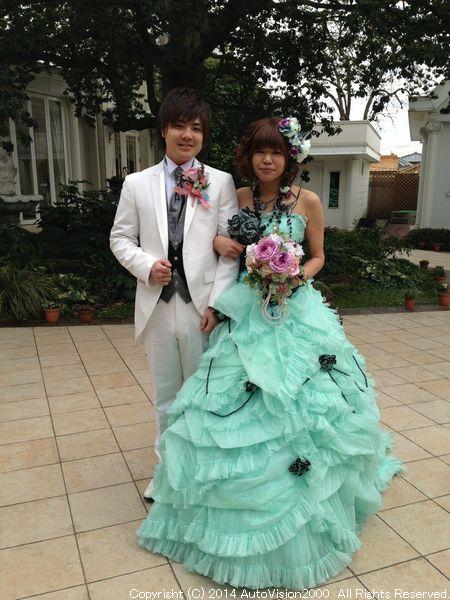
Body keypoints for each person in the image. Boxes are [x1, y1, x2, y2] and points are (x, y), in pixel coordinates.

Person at [136, 116, 405, 589]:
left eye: (276, 152)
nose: (267, 160)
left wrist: (293, 276)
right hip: (246, 311)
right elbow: (210, 240)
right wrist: (222, 243)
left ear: (290, 158)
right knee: (229, 399)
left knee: (302, 403)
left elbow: (318, 256)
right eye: (260, 151)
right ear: (250, 156)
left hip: (294, 309)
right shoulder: (235, 196)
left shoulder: (309, 201)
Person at [110, 88, 239, 500]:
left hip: (202, 308)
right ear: (164, 130)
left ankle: (201, 469)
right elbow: (120, 238)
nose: (187, 135)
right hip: (159, 306)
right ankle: (166, 471)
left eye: (196, 128)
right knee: (166, 395)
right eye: (179, 126)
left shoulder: (220, 182)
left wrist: (218, 303)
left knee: (202, 393)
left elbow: (231, 249)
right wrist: (147, 266)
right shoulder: (137, 184)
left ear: (204, 136)